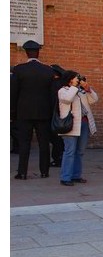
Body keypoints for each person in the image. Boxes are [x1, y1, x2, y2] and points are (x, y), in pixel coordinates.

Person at [10, 40, 56, 180]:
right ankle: (44, 171)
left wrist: (11, 113)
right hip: (44, 113)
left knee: (24, 143)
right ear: (38, 52)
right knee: (44, 143)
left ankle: (22, 172)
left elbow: (13, 93)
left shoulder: (19, 70)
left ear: (26, 53)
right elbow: (52, 94)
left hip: (24, 113)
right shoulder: (48, 70)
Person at [57, 70, 99, 186]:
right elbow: (67, 99)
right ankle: (65, 177)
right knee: (70, 151)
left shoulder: (80, 91)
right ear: (69, 79)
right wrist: (74, 87)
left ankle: (76, 175)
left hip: (84, 123)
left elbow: (94, 99)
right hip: (71, 125)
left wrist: (87, 88)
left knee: (80, 151)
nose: (78, 80)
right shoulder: (63, 91)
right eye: (76, 78)